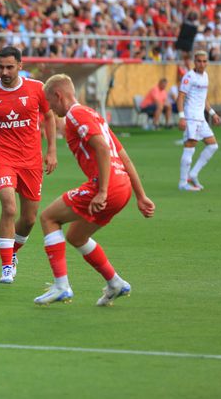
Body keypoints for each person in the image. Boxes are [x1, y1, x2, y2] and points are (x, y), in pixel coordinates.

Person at [33, 74, 155, 306]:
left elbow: (100, 146)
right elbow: (123, 156)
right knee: (76, 236)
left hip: (107, 186)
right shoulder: (93, 115)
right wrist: (140, 196)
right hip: (123, 187)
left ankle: (61, 286)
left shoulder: (75, 115)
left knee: (48, 217)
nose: (49, 108)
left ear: (58, 95)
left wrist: (102, 190)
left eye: (50, 102)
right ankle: (115, 282)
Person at [0, 46, 57, 284]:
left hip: (32, 161)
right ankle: (6, 267)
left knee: (29, 219)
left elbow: (49, 117)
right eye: (0, 66)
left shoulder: (37, 89)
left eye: (9, 67)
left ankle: (12, 252)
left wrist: (52, 150)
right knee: (9, 208)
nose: (4, 71)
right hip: (3, 158)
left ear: (20, 66)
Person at [178, 50, 221, 191]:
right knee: (190, 148)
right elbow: (180, 97)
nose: (202, 64)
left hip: (201, 118)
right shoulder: (189, 77)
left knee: (213, 145)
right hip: (191, 117)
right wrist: (181, 117)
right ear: (194, 62)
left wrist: (213, 113)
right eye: (199, 61)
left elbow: (203, 99)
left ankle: (193, 174)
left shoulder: (205, 76)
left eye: (204, 61)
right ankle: (183, 183)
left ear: (207, 62)